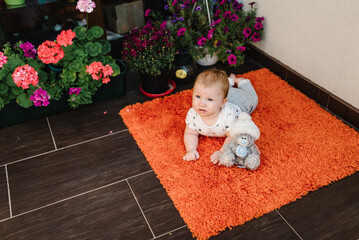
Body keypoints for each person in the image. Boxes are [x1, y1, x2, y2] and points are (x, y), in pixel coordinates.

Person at [183, 68, 258, 164]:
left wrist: (222, 151)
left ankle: (243, 82)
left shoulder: (229, 115)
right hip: (222, 95)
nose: (202, 103)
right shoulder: (193, 113)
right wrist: (191, 149)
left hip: (239, 101)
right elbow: (190, 133)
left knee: (252, 98)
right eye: (198, 96)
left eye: (209, 100)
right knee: (221, 90)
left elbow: (231, 137)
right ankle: (229, 81)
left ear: (222, 103)